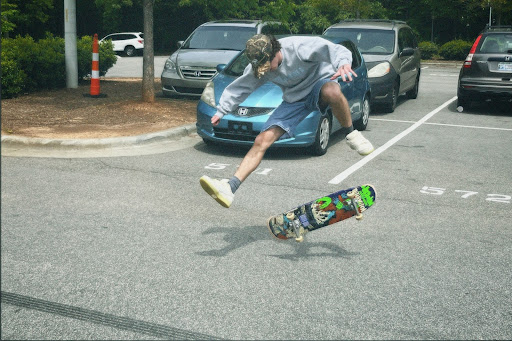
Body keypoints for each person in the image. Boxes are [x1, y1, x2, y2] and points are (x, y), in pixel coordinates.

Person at [200, 34, 374, 208]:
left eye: (268, 66)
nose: (266, 71)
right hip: (294, 100)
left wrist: (343, 62)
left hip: (319, 85)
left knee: (332, 91)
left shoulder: (299, 48)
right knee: (262, 140)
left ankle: (352, 134)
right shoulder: (259, 66)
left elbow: (336, 50)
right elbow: (241, 87)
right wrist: (222, 110)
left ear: (276, 52)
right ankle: (230, 187)